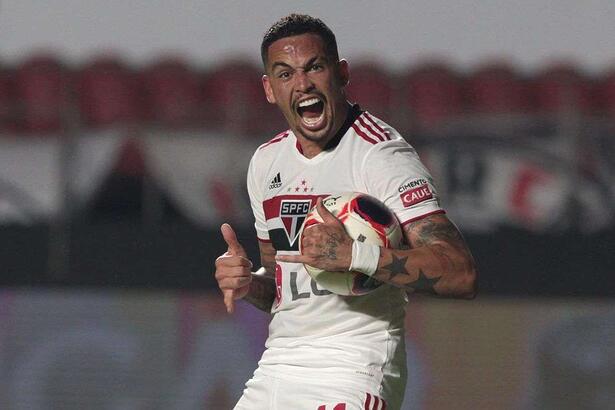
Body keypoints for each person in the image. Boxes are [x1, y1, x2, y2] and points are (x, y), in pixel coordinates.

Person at [214, 14, 477, 410]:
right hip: (280, 367)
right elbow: (283, 292)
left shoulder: (380, 155)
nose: (302, 84)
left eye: (314, 68)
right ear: (269, 89)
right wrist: (249, 283)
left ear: (341, 73)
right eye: (285, 74)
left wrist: (357, 256)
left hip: (355, 367)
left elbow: (460, 273)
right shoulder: (266, 162)